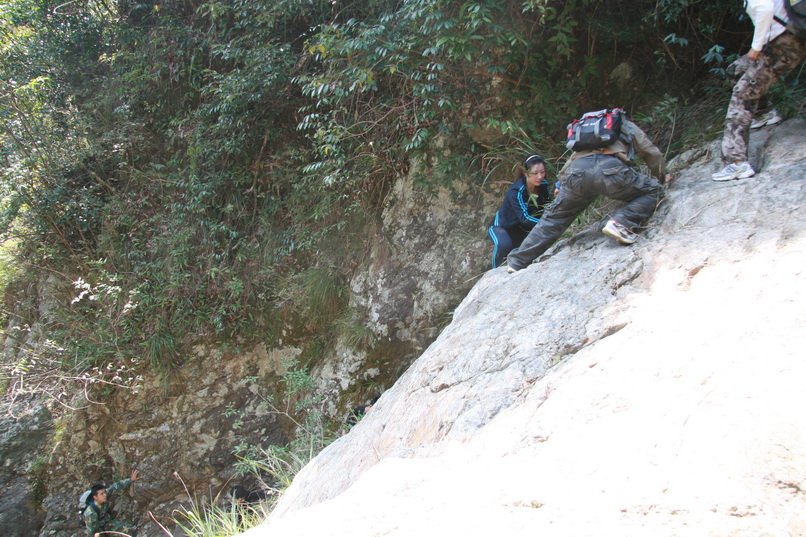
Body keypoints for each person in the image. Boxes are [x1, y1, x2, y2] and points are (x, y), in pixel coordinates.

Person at [506, 114, 672, 272]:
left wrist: (560, 184)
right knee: (654, 191)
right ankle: (621, 222)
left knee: (554, 218)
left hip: (577, 174)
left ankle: (518, 261)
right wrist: (662, 175)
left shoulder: (587, 134)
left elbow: (572, 161)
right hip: (611, 172)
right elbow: (649, 151)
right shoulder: (624, 125)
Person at [712, 0, 805, 181]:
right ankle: (764, 113)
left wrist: (756, 48)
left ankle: (737, 163)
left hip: (782, 46)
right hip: (786, 41)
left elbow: (765, 8)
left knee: (742, 95)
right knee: (736, 70)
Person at [486, 154, 552, 268]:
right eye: (535, 173)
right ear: (526, 173)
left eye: (542, 172)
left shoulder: (543, 186)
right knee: (504, 245)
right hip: (502, 227)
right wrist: (547, 223)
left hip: (522, 229)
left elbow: (548, 205)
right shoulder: (516, 191)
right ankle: (494, 272)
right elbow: (525, 218)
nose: (540, 176)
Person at [83, 470, 138, 537]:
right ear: (95, 497)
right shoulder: (90, 513)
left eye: (105, 492)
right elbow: (92, 533)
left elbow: (116, 487)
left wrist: (130, 480)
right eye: (102, 494)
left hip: (108, 523)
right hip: (100, 532)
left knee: (130, 529)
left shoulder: (105, 496)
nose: (105, 495)